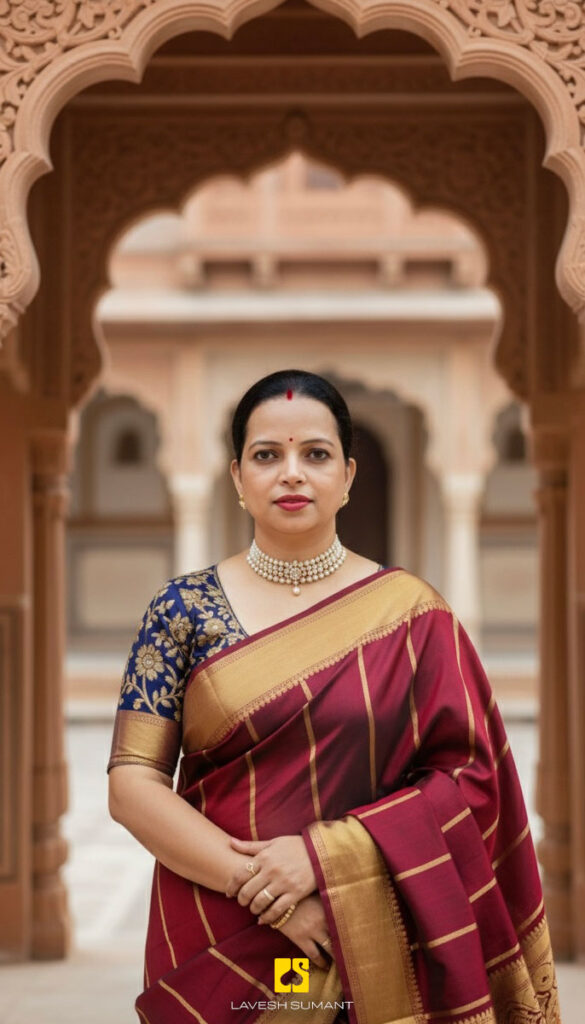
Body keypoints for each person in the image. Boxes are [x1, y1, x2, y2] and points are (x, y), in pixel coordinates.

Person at [108, 369, 560, 1024]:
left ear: (347, 475)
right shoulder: (181, 610)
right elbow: (132, 781)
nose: (291, 473)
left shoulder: (412, 615)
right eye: (267, 455)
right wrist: (272, 891)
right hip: (216, 918)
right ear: (236, 477)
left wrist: (321, 858)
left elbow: (470, 782)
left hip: (373, 921)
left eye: (314, 454)